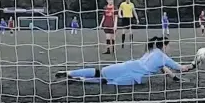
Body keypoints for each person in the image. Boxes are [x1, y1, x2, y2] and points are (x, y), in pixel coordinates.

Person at [54, 36, 195, 86]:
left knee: (99, 72)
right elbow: (181, 68)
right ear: (163, 45)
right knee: (108, 82)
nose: (170, 48)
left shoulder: (152, 52)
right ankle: (79, 79)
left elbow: (163, 68)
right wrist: (194, 64)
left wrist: (175, 78)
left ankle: (68, 72)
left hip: (129, 65)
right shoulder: (164, 57)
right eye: (168, 45)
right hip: (136, 76)